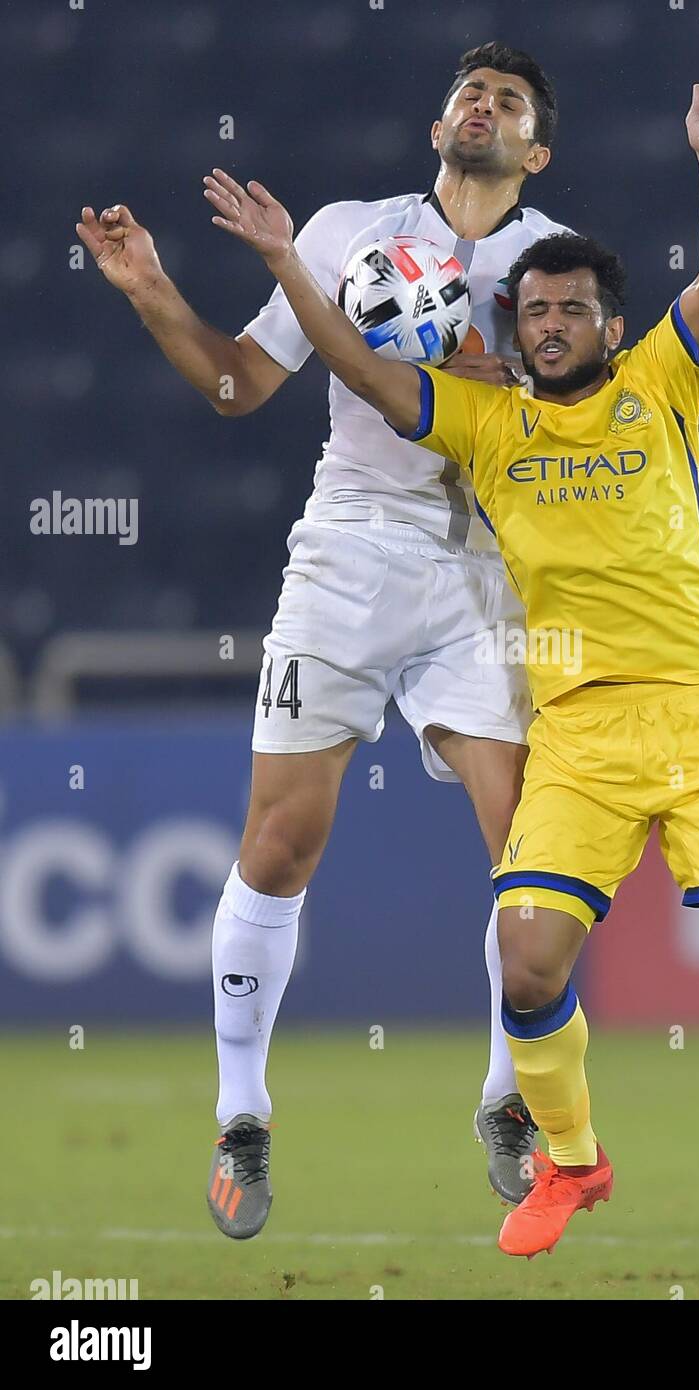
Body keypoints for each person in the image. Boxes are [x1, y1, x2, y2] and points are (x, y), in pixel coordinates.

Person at [205, 63, 699, 1258]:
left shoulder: (661, 381)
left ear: (607, 324)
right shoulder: (486, 422)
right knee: (530, 965)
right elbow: (369, 371)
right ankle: (570, 1167)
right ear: (513, 330)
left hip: (697, 717)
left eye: (570, 311)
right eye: (531, 313)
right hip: (581, 735)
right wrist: (290, 261)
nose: (547, 324)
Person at [76, 41, 572, 1239]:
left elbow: (585, 415)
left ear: (534, 150)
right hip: (348, 548)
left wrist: (489, 380)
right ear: (440, 120)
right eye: (468, 90)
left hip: (481, 566)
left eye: (507, 101)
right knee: (283, 840)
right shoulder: (349, 231)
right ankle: (242, 1116)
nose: (481, 105)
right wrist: (151, 288)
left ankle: (509, 1102)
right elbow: (239, 384)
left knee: (531, 845)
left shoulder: (552, 266)